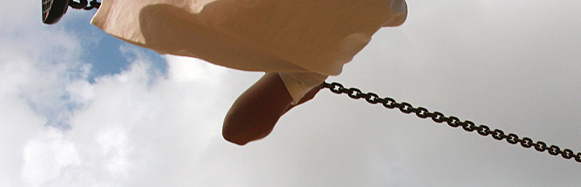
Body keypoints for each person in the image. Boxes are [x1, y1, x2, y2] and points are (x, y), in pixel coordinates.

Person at [42, 0, 408, 144]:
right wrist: (299, 91)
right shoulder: (347, 34)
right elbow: (239, 130)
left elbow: (239, 128)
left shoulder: (344, 33)